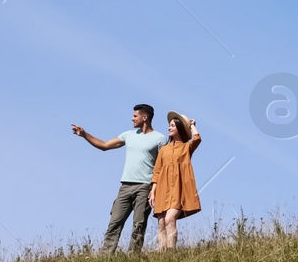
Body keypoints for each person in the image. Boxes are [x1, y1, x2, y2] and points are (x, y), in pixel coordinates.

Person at [71, 104, 166, 254]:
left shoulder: (160, 138)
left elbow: (163, 166)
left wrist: (155, 188)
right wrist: (84, 135)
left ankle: (133, 256)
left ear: (144, 117)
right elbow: (104, 145)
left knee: (139, 224)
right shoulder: (128, 135)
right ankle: (105, 255)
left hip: (145, 187)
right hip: (125, 186)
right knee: (115, 221)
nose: (132, 118)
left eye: (135, 116)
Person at [149, 111, 201, 250]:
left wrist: (191, 125)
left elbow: (197, 139)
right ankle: (161, 254)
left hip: (178, 190)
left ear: (179, 128)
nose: (169, 128)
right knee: (161, 224)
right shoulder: (164, 149)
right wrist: (153, 191)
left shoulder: (186, 147)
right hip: (162, 189)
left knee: (169, 219)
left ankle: (171, 252)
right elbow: (157, 171)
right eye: (169, 125)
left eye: (172, 125)